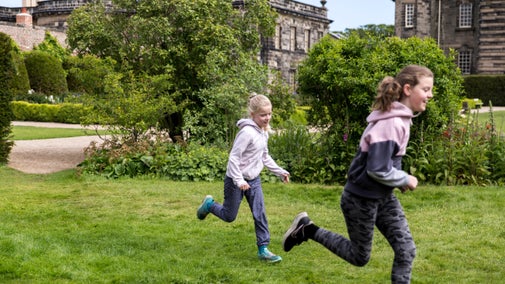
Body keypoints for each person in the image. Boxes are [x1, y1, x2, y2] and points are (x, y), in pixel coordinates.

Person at [282, 65, 434, 283]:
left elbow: (386, 162)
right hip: (361, 199)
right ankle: (308, 229)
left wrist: (397, 178)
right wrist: (404, 178)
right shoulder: (391, 122)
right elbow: (377, 169)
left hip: (382, 197)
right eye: (426, 89)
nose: (430, 95)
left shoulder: (401, 118)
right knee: (359, 256)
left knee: (406, 250)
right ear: (408, 89)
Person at [197, 93, 290, 263]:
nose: (267, 118)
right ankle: (209, 205)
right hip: (235, 180)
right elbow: (234, 158)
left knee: (259, 213)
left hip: (253, 180)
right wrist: (239, 181)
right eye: (263, 115)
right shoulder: (246, 133)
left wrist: (280, 171)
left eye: (269, 114)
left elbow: (264, 156)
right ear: (252, 115)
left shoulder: (263, 132)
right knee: (229, 216)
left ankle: (263, 249)